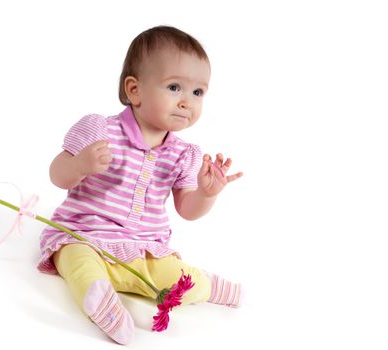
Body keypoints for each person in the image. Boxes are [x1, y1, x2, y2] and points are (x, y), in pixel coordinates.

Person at [38, 25, 243, 345]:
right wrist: (79, 165)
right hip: (84, 234)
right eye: (174, 87)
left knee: (173, 278)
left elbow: (187, 209)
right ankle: (103, 305)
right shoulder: (100, 130)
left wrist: (206, 194)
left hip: (142, 248)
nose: (187, 102)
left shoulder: (183, 154)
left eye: (198, 92)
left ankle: (205, 285)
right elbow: (56, 173)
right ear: (134, 90)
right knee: (78, 262)